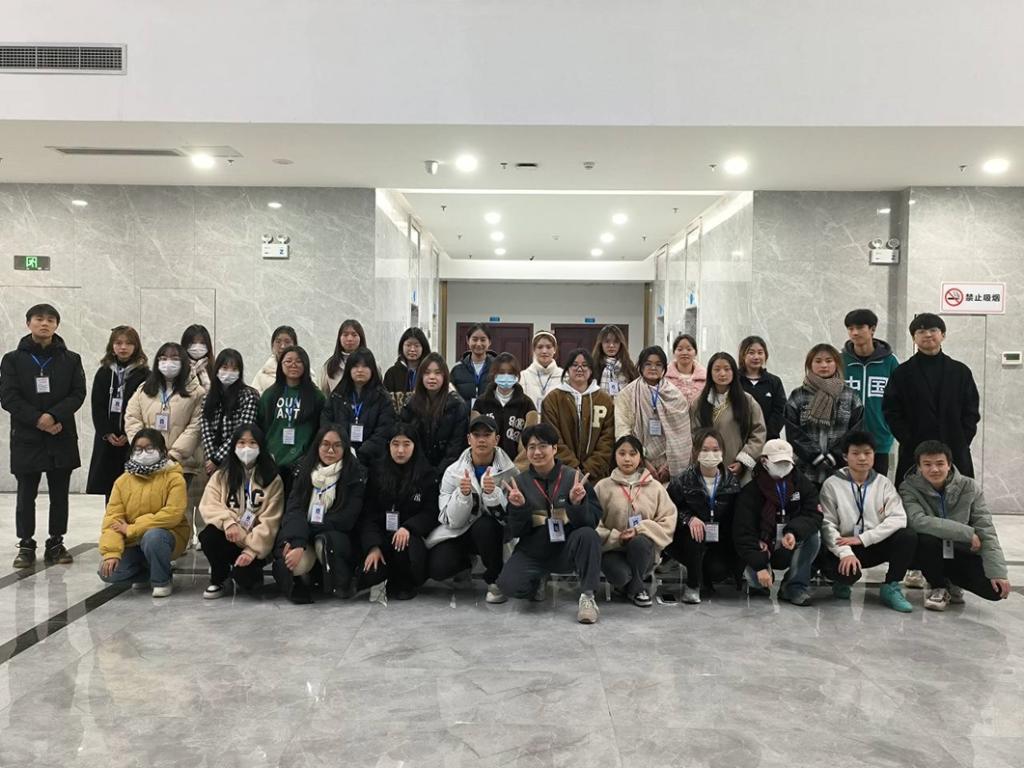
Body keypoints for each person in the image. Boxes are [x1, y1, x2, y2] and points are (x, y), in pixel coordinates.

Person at [1, 303, 87, 568]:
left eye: (50, 319)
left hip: (61, 434)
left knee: (60, 494)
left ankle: (56, 542)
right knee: (26, 494)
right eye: (39, 319)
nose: (44, 323)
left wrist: (53, 416)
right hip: (27, 437)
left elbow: (78, 393)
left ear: (57, 325)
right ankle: (26, 544)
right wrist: (38, 419)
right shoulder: (13, 359)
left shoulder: (71, 359)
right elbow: (8, 396)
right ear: (28, 323)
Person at [497, 423, 604, 624]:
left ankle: (588, 597)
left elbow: (591, 522)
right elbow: (516, 531)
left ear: (554, 448)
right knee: (509, 585)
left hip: (567, 549)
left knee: (589, 536)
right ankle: (538, 580)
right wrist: (519, 507)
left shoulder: (574, 478)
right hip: (534, 552)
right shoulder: (519, 483)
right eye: (531, 447)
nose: (537, 452)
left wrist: (576, 503)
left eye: (543, 446)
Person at [900, 440, 1011, 611]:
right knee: (925, 539)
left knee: (994, 590)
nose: (934, 469)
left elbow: (986, 529)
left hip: (961, 550)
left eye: (940, 463)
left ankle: (951, 580)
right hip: (930, 551)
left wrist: (998, 572)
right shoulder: (909, 487)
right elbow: (918, 521)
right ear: (919, 467)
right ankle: (937, 585)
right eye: (927, 464)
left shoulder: (969, 487)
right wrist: (966, 533)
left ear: (949, 464)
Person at [817, 431, 915, 612]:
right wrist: (845, 553)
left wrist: (864, 538)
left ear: (874, 455)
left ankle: (891, 586)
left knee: (907, 536)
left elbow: (899, 518)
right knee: (846, 573)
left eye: (867, 453)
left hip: (873, 544)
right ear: (845, 456)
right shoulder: (832, 484)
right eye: (855, 453)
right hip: (845, 546)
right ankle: (841, 582)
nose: (862, 458)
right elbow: (827, 525)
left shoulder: (883, 483)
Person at [272, 425, 367, 603]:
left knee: (324, 543)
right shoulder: (303, 469)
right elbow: (294, 509)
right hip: (305, 532)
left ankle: (339, 581)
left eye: (337, 445)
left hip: (335, 535)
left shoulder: (354, 474)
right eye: (325, 444)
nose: (330, 450)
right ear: (317, 445)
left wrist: (306, 532)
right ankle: (300, 581)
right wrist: (298, 541)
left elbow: (346, 518)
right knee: (291, 551)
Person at [426, 415, 515, 603]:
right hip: (460, 531)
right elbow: (450, 520)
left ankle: (495, 580)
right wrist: (463, 496)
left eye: (487, 435)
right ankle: (465, 566)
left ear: (496, 439)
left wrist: (492, 495)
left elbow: (508, 519)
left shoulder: (510, 472)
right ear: (469, 439)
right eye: (476, 435)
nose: (481, 440)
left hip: (494, 535)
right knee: (438, 567)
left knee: (485, 526)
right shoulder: (453, 472)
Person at [883, 313, 980, 483]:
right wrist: (907, 439)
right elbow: (891, 411)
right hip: (914, 448)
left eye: (933, 330)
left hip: (955, 447)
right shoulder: (902, 373)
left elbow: (971, 410)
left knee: (958, 494)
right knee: (912, 495)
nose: (927, 335)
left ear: (943, 335)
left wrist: (962, 439)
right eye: (921, 332)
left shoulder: (960, 371)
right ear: (914, 338)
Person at [97, 429, 189, 597]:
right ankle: (149, 571)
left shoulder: (174, 478)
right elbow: (113, 519)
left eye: (149, 448)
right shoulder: (122, 481)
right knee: (108, 573)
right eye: (138, 449)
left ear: (162, 451)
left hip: (167, 536)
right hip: (133, 541)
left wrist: (132, 528)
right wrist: (111, 552)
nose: (143, 453)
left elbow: (172, 514)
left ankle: (162, 580)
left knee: (153, 537)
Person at [197, 424, 284, 598]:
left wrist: (251, 550)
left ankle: (242, 572)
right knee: (209, 535)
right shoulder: (221, 475)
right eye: (242, 443)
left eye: (253, 443)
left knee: (249, 584)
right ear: (234, 446)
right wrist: (228, 522)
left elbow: (271, 521)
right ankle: (220, 579)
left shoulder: (272, 479)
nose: (247, 448)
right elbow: (209, 505)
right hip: (231, 536)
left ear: (261, 446)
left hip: (257, 545)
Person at [733, 439, 822, 606]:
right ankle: (759, 581)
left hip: (788, 542)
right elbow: (743, 532)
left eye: (786, 463)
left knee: (813, 536)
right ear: (764, 461)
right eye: (778, 462)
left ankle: (794, 587)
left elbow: (813, 514)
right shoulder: (750, 491)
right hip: (763, 545)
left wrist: (793, 532)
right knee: (758, 581)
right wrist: (759, 565)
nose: (783, 467)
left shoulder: (801, 484)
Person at [594, 436, 678, 607]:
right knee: (620, 575)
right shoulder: (603, 487)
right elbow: (594, 523)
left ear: (640, 457)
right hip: (612, 550)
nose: (627, 458)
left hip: (644, 551)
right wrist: (616, 537)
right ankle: (632, 586)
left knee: (639, 542)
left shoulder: (655, 487)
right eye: (622, 453)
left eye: (633, 454)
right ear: (615, 456)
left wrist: (640, 529)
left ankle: (636, 589)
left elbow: (668, 520)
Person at [360, 424, 441, 599]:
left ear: (415, 446)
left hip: (410, 538)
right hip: (382, 536)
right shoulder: (377, 472)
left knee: (403, 543)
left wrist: (408, 527)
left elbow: (431, 512)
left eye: (406, 444)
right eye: (395, 444)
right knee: (371, 574)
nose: (400, 450)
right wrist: (373, 546)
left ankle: (407, 583)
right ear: (388, 446)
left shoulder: (427, 474)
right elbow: (368, 513)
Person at [664, 428, 743, 603]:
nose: (710, 454)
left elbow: (737, 519)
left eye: (715, 450)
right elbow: (668, 511)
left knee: (718, 570)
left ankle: (706, 576)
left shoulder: (732, 483)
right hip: (687, 540)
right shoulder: (682, 481)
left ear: (722, 452)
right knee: (695, 534)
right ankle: (692, 586)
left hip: (717, 541)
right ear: (696, 452)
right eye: (705, 450)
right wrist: (688, 519)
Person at [124, 342, 205, 503]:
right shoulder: (144, 389)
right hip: (147, 461)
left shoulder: (197, 393)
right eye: (163, 358)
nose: (168, 363)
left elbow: (195, 427)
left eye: (174, 358)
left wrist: (172, 456)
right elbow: (132, 419)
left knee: (177, 510)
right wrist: (145, 449)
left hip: (182, 465)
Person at [785, 343, 864, 486]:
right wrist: (814, 456)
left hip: (841, 470)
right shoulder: (798, 395)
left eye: (829, 361)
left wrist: (836, 455)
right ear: (810, 364)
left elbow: (856, 430)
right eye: (818, 361)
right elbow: (792, 431)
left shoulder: (850, 396)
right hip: (805, 470)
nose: (824, 365)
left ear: (836, 364)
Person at [86, 325, 149, 502]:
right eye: (118, 343)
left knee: (134, 488)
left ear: (136, 346)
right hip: (108, 440)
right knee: (111, 489)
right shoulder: (104, 372)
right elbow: (97, 406)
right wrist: (107, 433)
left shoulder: (144, 374)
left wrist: (131, 434)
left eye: (129, 343)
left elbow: (146, 408)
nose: (123, 347)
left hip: (133, 439)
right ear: (112, 346)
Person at [614, 345, 691, 483]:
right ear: (640, 367)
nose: (653, 368)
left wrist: (669, 464)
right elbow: (623, 432)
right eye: (648, 364)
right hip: (636, 463)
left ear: (664, 368)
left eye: (658, 364)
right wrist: (642, 461)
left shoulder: (676, 396)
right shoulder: (626, 394)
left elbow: (682, 436)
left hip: (669, 464)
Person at [257, 345, 326, 494]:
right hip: (273, 461)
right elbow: (261, 426)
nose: (293, 365)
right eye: (288, 361)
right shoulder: (269, 395)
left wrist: (309, 457)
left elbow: (320, 430)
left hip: (302, 464)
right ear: (280, 365)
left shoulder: (317, 397)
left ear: (306, 365)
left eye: (298, 361)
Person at [690, 352, 766, 485]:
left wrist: (742, 461)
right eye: (717, 369)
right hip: (706, 466)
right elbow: (694, 434)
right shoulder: (699, 403)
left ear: (734, 372)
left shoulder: (747, 401)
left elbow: (758, 433)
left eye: (727, 369)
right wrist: (706, 458)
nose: (722, 374)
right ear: (710, 373)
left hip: (736, 467)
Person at [541, 348, 616, 481]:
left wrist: (589, 470)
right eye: (575, 365)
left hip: (596, 477)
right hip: (561, 475)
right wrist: (572, 469)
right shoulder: (553, 399)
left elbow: (607, 439)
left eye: (585, 365)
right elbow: (551, 436)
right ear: (567, 369)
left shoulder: (604, 400)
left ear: (591, 370)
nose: (579, 369)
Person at [841, 309, 899, 476]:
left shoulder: (890, 362)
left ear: (872, 329)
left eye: (860, 328)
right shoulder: (840, 361)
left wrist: (889, 428)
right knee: (846, 487)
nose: (854, 332)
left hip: (880, 440)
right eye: (850, 328)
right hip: (846, 440)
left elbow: (900, 399)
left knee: (877, 486)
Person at [399, 352, 470, 479]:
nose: (432, 377)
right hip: (414, 471)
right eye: (427, 373)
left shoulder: (457, 406)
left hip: (448, 473)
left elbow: (455, 448)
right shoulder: (410, 404)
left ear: (445, 376)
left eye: (437, 373)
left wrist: (436, 475)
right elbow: (405, 437)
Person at [321, 347, 396, 465]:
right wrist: (343, 449)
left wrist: (361, 453)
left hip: (373, 461)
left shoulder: (383, 398)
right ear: (349, 369)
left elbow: (384, 430)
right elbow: (326, 424)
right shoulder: (337, 396)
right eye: (355, 366)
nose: (360, 370)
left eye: (365, 366)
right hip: (339, 458)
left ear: (372, 369)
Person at [200, 348, 260, 476]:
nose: (229, 372)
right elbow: (206, 431)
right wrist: (211, 459)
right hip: (213, 464)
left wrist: (217, 459)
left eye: (234, 369)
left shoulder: (249, 395)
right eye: (225, 368)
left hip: (239, 459)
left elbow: (242, 430)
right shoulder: (208, 398)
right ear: (217, 370)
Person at [472, 352, 539, 459]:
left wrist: (518, 466)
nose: (506, 376)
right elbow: (475, 436)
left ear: (517, 375)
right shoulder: (481, 403)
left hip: (516, 464)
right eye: (502, 372)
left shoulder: (527, 404)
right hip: (487, 463)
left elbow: (530, 441)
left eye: (510, 373)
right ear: (494, 374)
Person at [737, 336, 786, 441]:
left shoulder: (774, 381)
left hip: (768, 440)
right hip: (738, 439)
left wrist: (765, 434)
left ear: (765, 355)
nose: (756, 357)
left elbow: (780, 411)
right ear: (743, 355)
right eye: (751, 353)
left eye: (760, 353)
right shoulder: (735, 380)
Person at [382, 327, 430, 410]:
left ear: (423, 347)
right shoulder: (392, 373)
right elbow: (386, 404)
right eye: (408, 345)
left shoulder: (428, 372)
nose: (412, 349)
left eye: (417, 346)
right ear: (402, 346)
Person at [450, 323, 496, 406]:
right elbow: (451, 398)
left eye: (483, 340)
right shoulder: (457, 369)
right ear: (468, 340)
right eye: (475, 339)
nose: (478, 344)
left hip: (490, 413)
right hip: (464, 414)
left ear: (489, 342)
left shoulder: (497, 368)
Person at [319, 318, 367, 395]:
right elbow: (325, 395)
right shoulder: (329, 366)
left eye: (354, 335)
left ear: (361, 338)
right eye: (345, 335)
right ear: (339, 338)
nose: (349, 339)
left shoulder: (371, 364)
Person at [519, 330, 563, 410]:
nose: (544, 351)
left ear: (554, 350)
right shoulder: (523, 376)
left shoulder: (564, 376)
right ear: (534, 350)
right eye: (540, 347)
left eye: (548, 347)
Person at [592, 324, 638, 396]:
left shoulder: (628, 366)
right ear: (601, 344)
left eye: (616, 342)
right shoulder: (593, 365)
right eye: (607, 341)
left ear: (620, 344)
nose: (611, 345)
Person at [250, 325, 298, 394]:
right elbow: (254, 396)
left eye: (287, 342)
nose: (282, 346)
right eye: (278, 342)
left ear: (295, 345)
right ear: (272, 345)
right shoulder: (263, 374)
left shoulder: (304, 371)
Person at [663, 333, 706, 403]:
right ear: (674, 352)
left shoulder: (705, 378)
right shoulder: (664, 378)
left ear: (695, 352)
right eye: (680, 349)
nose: (685, 353)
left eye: (689, 349)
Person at [181, 324, 214, 392]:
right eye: (193, 342)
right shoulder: (179, 367)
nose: (197, 346)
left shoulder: (214, 368)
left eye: (202, 343)